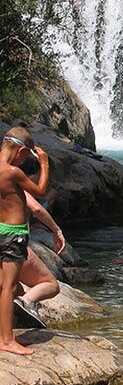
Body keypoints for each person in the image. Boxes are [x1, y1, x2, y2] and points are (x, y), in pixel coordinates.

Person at [0, 127, 50, 355]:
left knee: (4, 285)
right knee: (10, 287)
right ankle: (7, 340)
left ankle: (4, 336)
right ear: (20, 150)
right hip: (13, 233)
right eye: (25, 157)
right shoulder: (13, 172)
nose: (24, 162)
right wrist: (44, 163)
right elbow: (40, 191)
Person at [13, 191, 65, 329]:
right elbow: (36, 208)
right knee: (51, 285)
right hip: (10, 240)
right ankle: (26, 302)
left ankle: (11, 329)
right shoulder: (11, 181)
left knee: (13, 289)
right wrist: (56, 230)